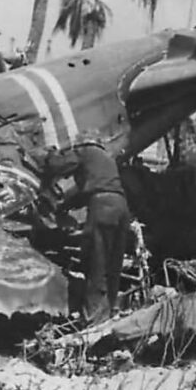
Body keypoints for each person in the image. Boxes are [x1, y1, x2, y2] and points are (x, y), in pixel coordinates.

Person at [53, 132, 132, 323]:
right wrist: (65, 205)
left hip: (103, 207)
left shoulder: (84, 151)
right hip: (121, 206)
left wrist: (45, 156)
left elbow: (58, 164)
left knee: (97, 262)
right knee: (113, 265)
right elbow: (86, 191)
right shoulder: (104, 157)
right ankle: (109, 313)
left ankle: (92, 319)